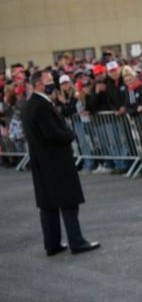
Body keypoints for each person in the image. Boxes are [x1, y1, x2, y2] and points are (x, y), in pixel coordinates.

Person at [21, 71, 100, 256]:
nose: (52, 83)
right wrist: (69, 134)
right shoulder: (41, 105)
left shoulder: (28, 105)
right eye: (48, 81)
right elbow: (52, 133)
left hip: (42, 162)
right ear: (39, 85)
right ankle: (77, 241)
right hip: (56, 162)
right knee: (68, 202)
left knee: (48, 204)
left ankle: (52, 244)